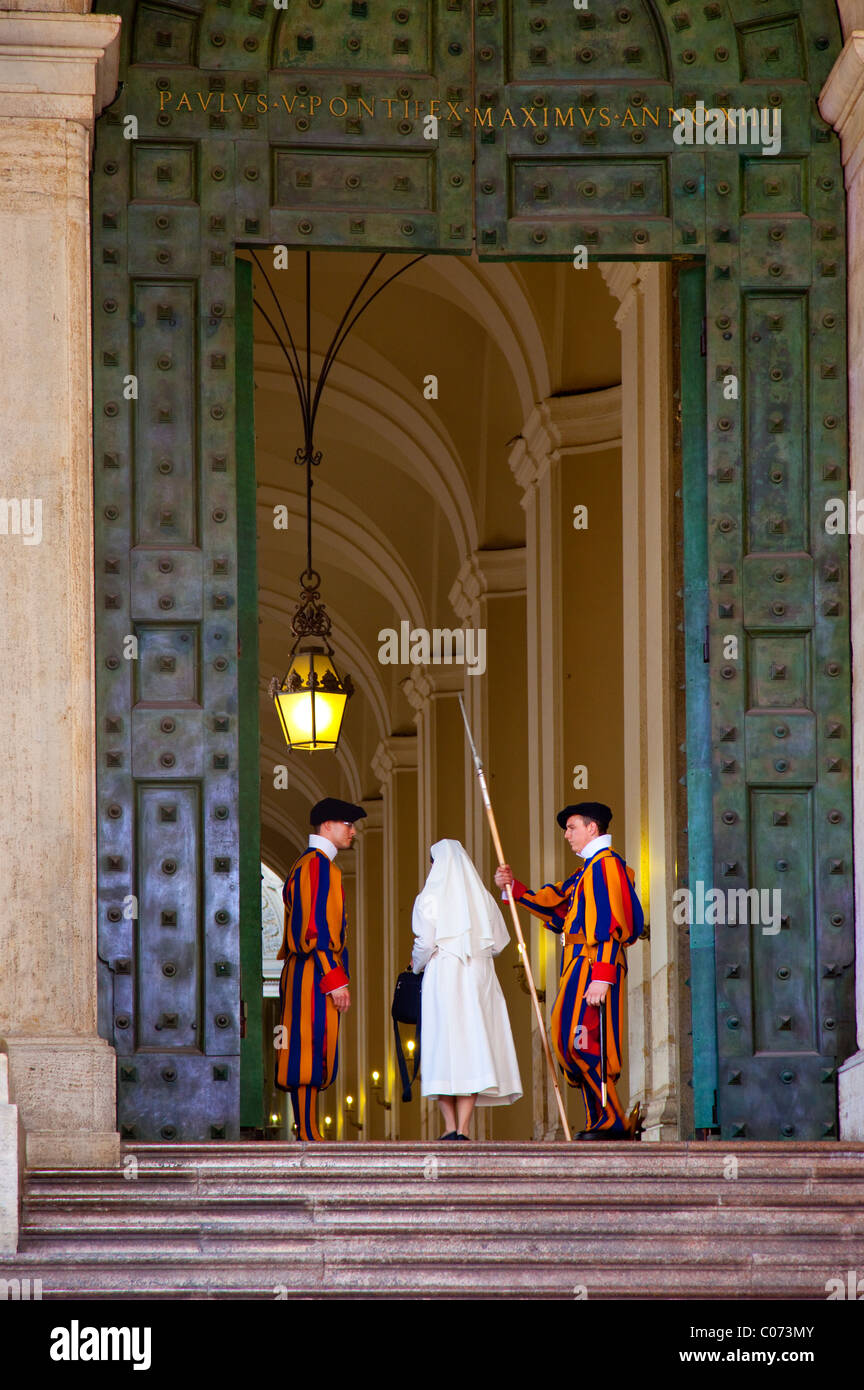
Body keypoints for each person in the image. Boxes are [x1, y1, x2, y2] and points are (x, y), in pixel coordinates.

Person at [495, 801, 644, 1141]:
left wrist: (603, 974)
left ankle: (612, 1119)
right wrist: (513, 889)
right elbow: (559, 907)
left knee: (584, 1041)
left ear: (593, 828)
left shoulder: (605, 867)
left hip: (593, 964)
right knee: (570, 1042)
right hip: (577, 964)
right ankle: (600, 1119)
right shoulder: (587, 871)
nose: (567, 835)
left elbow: (609, 924)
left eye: (572, 827)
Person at [412, 838, 522, 1140]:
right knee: (473, 1046)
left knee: (442, 1047)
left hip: (443, 975)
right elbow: (499, 942)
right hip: (478, 977)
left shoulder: (429, 897)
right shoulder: (483, 898)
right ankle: (464, 1127)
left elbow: (424, 943)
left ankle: (449, 1127)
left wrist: (416, 965)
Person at [274, 796, 366, 1140]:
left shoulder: (311, 864)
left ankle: (308, 1130)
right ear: (327, 825)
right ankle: (309, 1132)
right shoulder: (318, 866)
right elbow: (317, 929)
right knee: (309, 1045)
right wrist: (335, 979)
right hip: (313, 970)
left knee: (312, 1044)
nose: (352, 831)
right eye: (347, 824)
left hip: (309, 970)